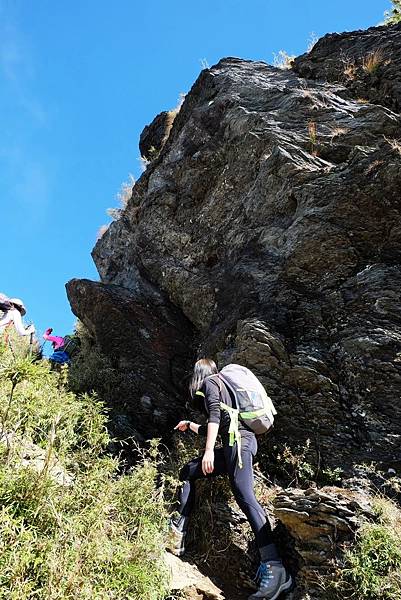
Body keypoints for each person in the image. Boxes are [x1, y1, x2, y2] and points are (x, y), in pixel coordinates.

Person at [168, 358, 292, 600]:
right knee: (189, 471)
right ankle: (176, 535)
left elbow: (214, 416)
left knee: (245, 495)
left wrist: (207, 452)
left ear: (199, 373)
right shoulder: (222, 386)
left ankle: (276, 570)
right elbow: (215, 423)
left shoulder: (212, 382)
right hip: (235, 444)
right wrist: (190, 425)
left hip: (240, 444)